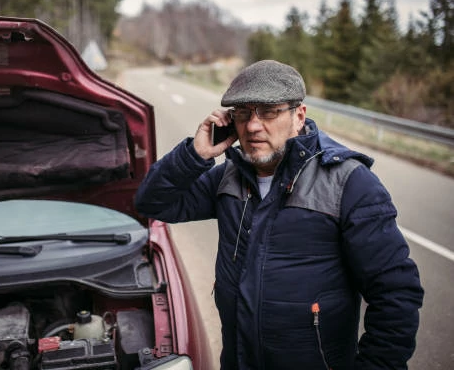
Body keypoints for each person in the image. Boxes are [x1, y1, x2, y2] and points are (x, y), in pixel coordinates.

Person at [134, 60, 424, 370]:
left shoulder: (349, 183)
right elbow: (152, 203)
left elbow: (396, 294)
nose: (253, 125)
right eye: (243, 113)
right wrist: (195, 154)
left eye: (269, 111)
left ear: (299, 116)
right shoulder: (229, 177)